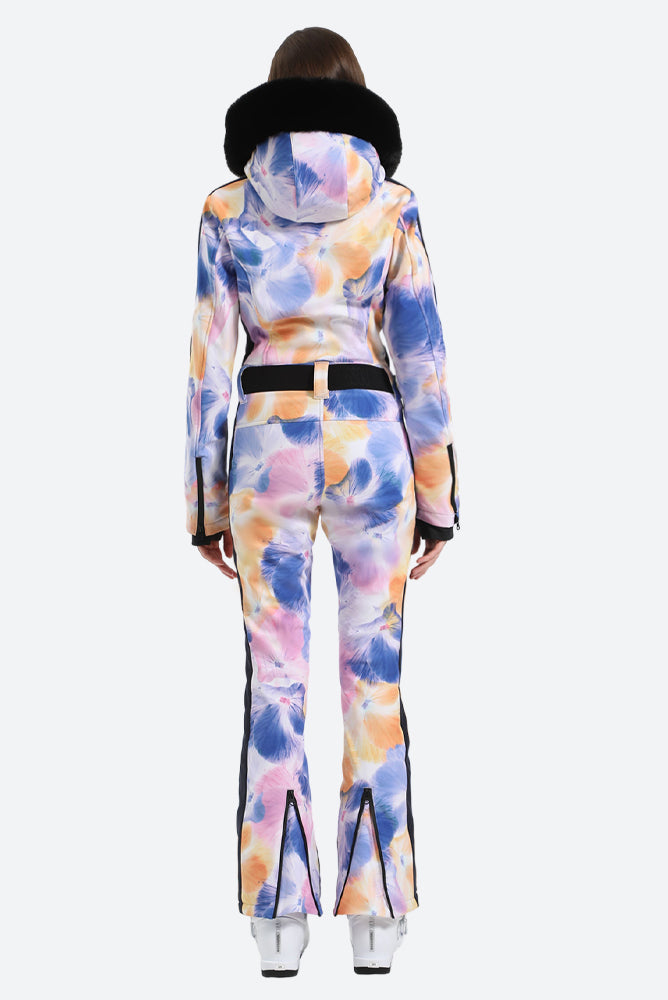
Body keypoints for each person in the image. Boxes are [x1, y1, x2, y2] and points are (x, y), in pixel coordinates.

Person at [184, 26, 461, 976]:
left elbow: (208, 362)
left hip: (266, 446)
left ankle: (277, 921)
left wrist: (206, 502)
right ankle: (377, 915)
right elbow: (421, 356)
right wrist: (438, 498)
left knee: (277, 679)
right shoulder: (391, 204)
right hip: (372, 446)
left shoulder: (227, 206)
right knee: (371, 677)